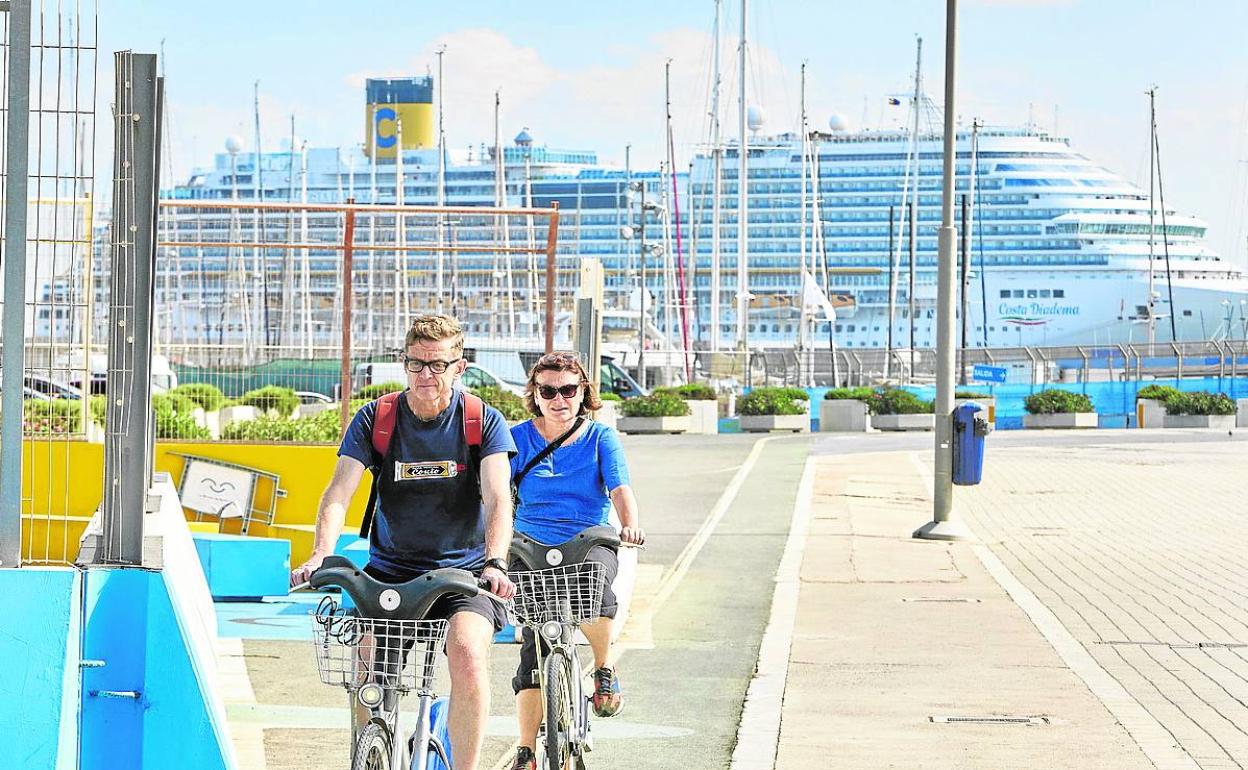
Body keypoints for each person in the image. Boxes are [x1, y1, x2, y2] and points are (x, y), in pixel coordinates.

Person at [290, 314, 516, 770]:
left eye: (437, 365)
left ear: (460, 367)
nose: (425, 376)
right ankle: (370, 751)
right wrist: (320, 554)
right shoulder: (378, 418)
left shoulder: (481, 420)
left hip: (465, 574)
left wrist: (495, 562)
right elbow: (338, 492)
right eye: (415, 365)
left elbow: (496, 498)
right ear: (403, 363)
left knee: (469, 653)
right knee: (366, 662)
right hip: (392, 571)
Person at [506, 352, 644, 770]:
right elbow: (492, 493)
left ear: (583, 391)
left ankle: (602, 667)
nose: (559, 399)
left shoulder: (601, 438)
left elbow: (620, 490)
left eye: (568, 389)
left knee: (597, 587)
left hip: (588, 539)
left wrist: (630, 526)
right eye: (548, 391)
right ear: (536, 394)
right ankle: (527, 750)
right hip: (528, 543)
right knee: (531, 648)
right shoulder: (516, 438)